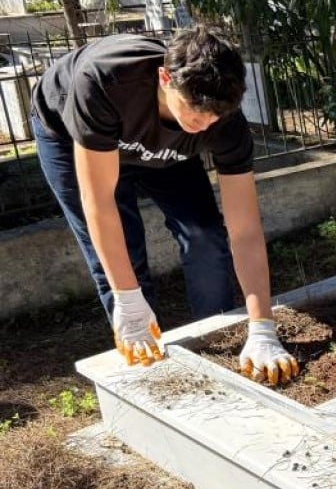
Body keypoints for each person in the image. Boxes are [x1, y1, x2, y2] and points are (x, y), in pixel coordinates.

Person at [32, 27, 298, 385]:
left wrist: (263, 325)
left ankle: (215, 336)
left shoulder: (222, 121)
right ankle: (148, 362)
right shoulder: (103, 81)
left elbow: (245, 229)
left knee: (205, 232)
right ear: (164, 77)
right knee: (123, 251)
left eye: (213, 117)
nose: (204, 124)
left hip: (163, 146)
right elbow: (99, 203)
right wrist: (127, 298)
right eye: (195, 111)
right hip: (73, 136)